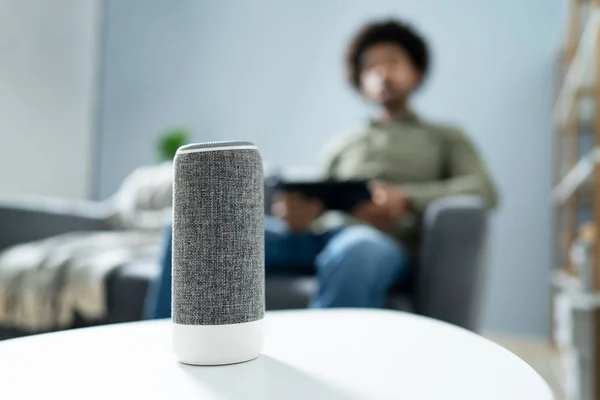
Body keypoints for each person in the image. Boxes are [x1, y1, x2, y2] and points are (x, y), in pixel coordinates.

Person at [144, 18, 498, 319]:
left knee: (354, 251)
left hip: (380, 243)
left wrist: (406, 198)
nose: (382, 73)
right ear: (359, 81)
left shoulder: (444, 137)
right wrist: (297, 216)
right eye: (371, 67)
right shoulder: (344, 142)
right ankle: (163, 351)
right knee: (191, 229)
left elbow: (483, 188)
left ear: (416, 71)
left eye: (392, 61)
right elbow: (317, 202)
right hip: (320, 236)